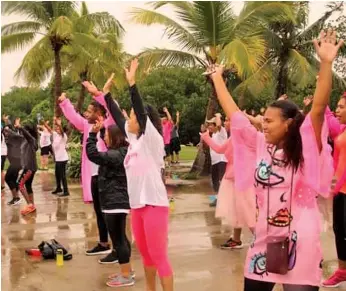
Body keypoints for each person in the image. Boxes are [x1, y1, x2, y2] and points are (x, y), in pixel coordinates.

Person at [206, 29, 342, 291]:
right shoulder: (259, 144)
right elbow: (234, 113)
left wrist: (326, 63)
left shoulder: (305, 147)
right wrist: (217, 79)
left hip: (299, 239)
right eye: (263, 120)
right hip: (265, 237)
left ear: (289, 124)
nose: (263, 125)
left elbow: (318, 107)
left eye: (269, 121)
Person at [82, 58, 174, 291]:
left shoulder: (151, 141)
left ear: (143, 122)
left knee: (159, 256)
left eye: (133, 116)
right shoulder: (133, 140)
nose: (129, 118)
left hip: (154, 205)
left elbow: (140, 114)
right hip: (138, 207)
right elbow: (116, 114)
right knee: (145, 255)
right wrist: (104, 94)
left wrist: (132, 84)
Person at [58, 93, 117, 262]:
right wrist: (65, 102)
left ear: (99, 112)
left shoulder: (110, 124)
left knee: (109, 213)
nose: (85, 113)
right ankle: (103, 243)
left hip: (108, 176)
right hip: (94, 176)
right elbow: (74, 117)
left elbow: (114, 111)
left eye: (90, 111)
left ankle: (117, 248)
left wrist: (99, 94)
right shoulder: (87, 126)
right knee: (99, 212)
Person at [86, 121, 134, 287]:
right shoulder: (121, 152)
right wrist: (101, 131)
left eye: (106, 137)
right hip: (117, 201)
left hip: (114, 202)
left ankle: (126, 276)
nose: (104, 139)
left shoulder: (116, 155)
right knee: (122, 238)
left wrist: (91, 136)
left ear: (114, 137)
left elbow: (94, 155)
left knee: (118, 240)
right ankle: (127, 270)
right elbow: (104, 152)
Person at [200, 117, 256, 249]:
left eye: (228, 120)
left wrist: (206, 137)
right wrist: (206, 137)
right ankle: (236, 239)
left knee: (247, 209)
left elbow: (220, 149)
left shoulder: (245, 137)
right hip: (234, 176)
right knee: (238, 208)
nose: (225, 123)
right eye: (225, 120)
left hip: (242, 177)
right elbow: (220, 149)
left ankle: (260, 238)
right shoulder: (235, 137)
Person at [321, 91, 346, 288]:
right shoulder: (342, 129)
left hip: (342, 188)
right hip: (341, 190)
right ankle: (342, 271)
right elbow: (328, 121)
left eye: (342, 107)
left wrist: (336, 184)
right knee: (339, 230)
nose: (338, 110)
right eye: (337, 107)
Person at [206, 113, 228, 207]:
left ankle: (222, 199)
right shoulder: (214, 135)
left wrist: (218, 116)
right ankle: (218, 198)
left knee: (220, 181)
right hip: (214, 162)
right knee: (215, 181)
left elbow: (219, 124)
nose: (209, 126)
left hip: (221, 160)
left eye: (211, 124)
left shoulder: (221, 132)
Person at [17, 122, 39, 215]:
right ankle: (32, 205)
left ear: (27, 131)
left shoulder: (31, 140)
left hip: (29, 167)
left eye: (24, 131)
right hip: (29, 167)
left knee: (20, 184)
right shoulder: (25, 140)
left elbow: (27, 135)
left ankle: (29, 205)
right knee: (28, 185)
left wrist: (20, 127)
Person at [44, 118, 70, 196]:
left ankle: (66, 191)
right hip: (58, 159)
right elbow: (50, 130)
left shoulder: (63, 136)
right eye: (57, 129)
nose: (57, 130)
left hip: (63, 159)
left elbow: (61, 131)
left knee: (62, 175)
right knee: (57, 174)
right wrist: (45, 124)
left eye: (58, 129)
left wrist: (59, 124)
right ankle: (59, 188)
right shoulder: (56, 135)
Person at [3, 117, 23, 206]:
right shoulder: (8, 139)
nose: (6, 133)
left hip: (17, 161)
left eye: (7, 131)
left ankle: (16, 198)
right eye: (5, 131)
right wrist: (6, 121)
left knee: (7, 178)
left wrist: (11, 127)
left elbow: (15, 133)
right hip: (15, 161)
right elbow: (8, 127)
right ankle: (16, 198)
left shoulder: (16, 137)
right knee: (13, 179)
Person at [1, 124, 8, 191]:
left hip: (1, 153)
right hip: (3, 153)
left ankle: (2, 185)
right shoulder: (3, 134)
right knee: (1, 170)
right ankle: (2, 185)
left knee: (1, 170)